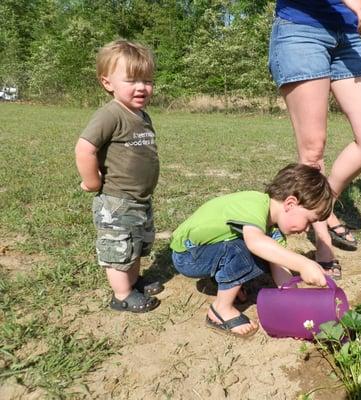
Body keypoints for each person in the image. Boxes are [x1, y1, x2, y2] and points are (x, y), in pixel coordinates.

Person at [268, 0, 361, 278]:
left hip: (348, 34)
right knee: (312, 152)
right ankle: (322, 241)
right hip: (302, 28)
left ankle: (323, 204)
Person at [170, 164, 334, 337]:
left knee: (268, 252)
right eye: (309, 221)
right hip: (189, 256)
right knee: (245, 250)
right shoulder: (255, 204)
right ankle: (220, 310)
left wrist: (293, 301)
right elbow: (255, 243)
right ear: (290, 203)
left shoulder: (274, 229)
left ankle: (229, 281)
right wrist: (303, 264)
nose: (307, 229)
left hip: (208, 251)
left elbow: (279, 264)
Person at [75, 39, 163, 313]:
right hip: (116, 200)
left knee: (136, 243)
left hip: (138, 199)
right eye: (132, 80)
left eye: (147, 80)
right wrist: (92, 182)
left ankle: (133, 281)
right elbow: (85, 148)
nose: (141, 87)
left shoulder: (141, 115)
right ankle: (122, 294)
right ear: (107, 82)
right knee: (118, 248)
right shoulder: (110, 114)